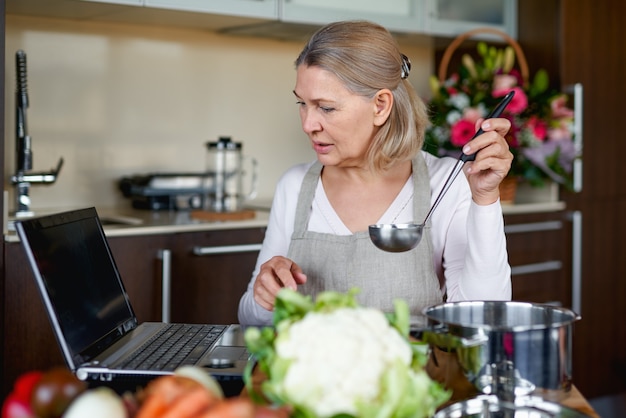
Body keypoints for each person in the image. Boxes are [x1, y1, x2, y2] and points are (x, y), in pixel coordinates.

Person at [238, 20, 512, 326]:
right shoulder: (296, 186)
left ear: (380, 105)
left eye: (326, 108)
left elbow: (484, 317)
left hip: (414, 372)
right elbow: (252, 321)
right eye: (302, 103)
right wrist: (264, 295)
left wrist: (486, 199)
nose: (307, 124)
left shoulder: (444, 182)